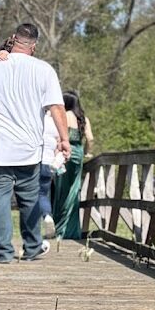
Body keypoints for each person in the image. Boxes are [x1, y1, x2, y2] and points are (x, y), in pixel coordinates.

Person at [0, 23, 69, 263]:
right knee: (29, 197)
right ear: (34, 46)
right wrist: (64, 139)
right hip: (28, 147)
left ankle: (3, 252)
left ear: (13, 39)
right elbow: (56, 106)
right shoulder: (44, 70)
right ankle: (32, 247)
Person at [0, 52, 60, 239]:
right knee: (42, 194)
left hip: (31, 159)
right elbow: (57, 144)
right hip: (50, 163)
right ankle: (44, 219)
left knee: (27, 196)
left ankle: (30, 233)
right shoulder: (53, 122)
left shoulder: (32, 119)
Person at [52, 91, 95, 239]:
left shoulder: (60, 117)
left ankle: (59, 229)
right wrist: (88, 153)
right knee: (74, 190)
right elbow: (90, 139)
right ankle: (70, 230)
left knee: (61, 190)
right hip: (77, 153)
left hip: (62, 153)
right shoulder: (82, 119)